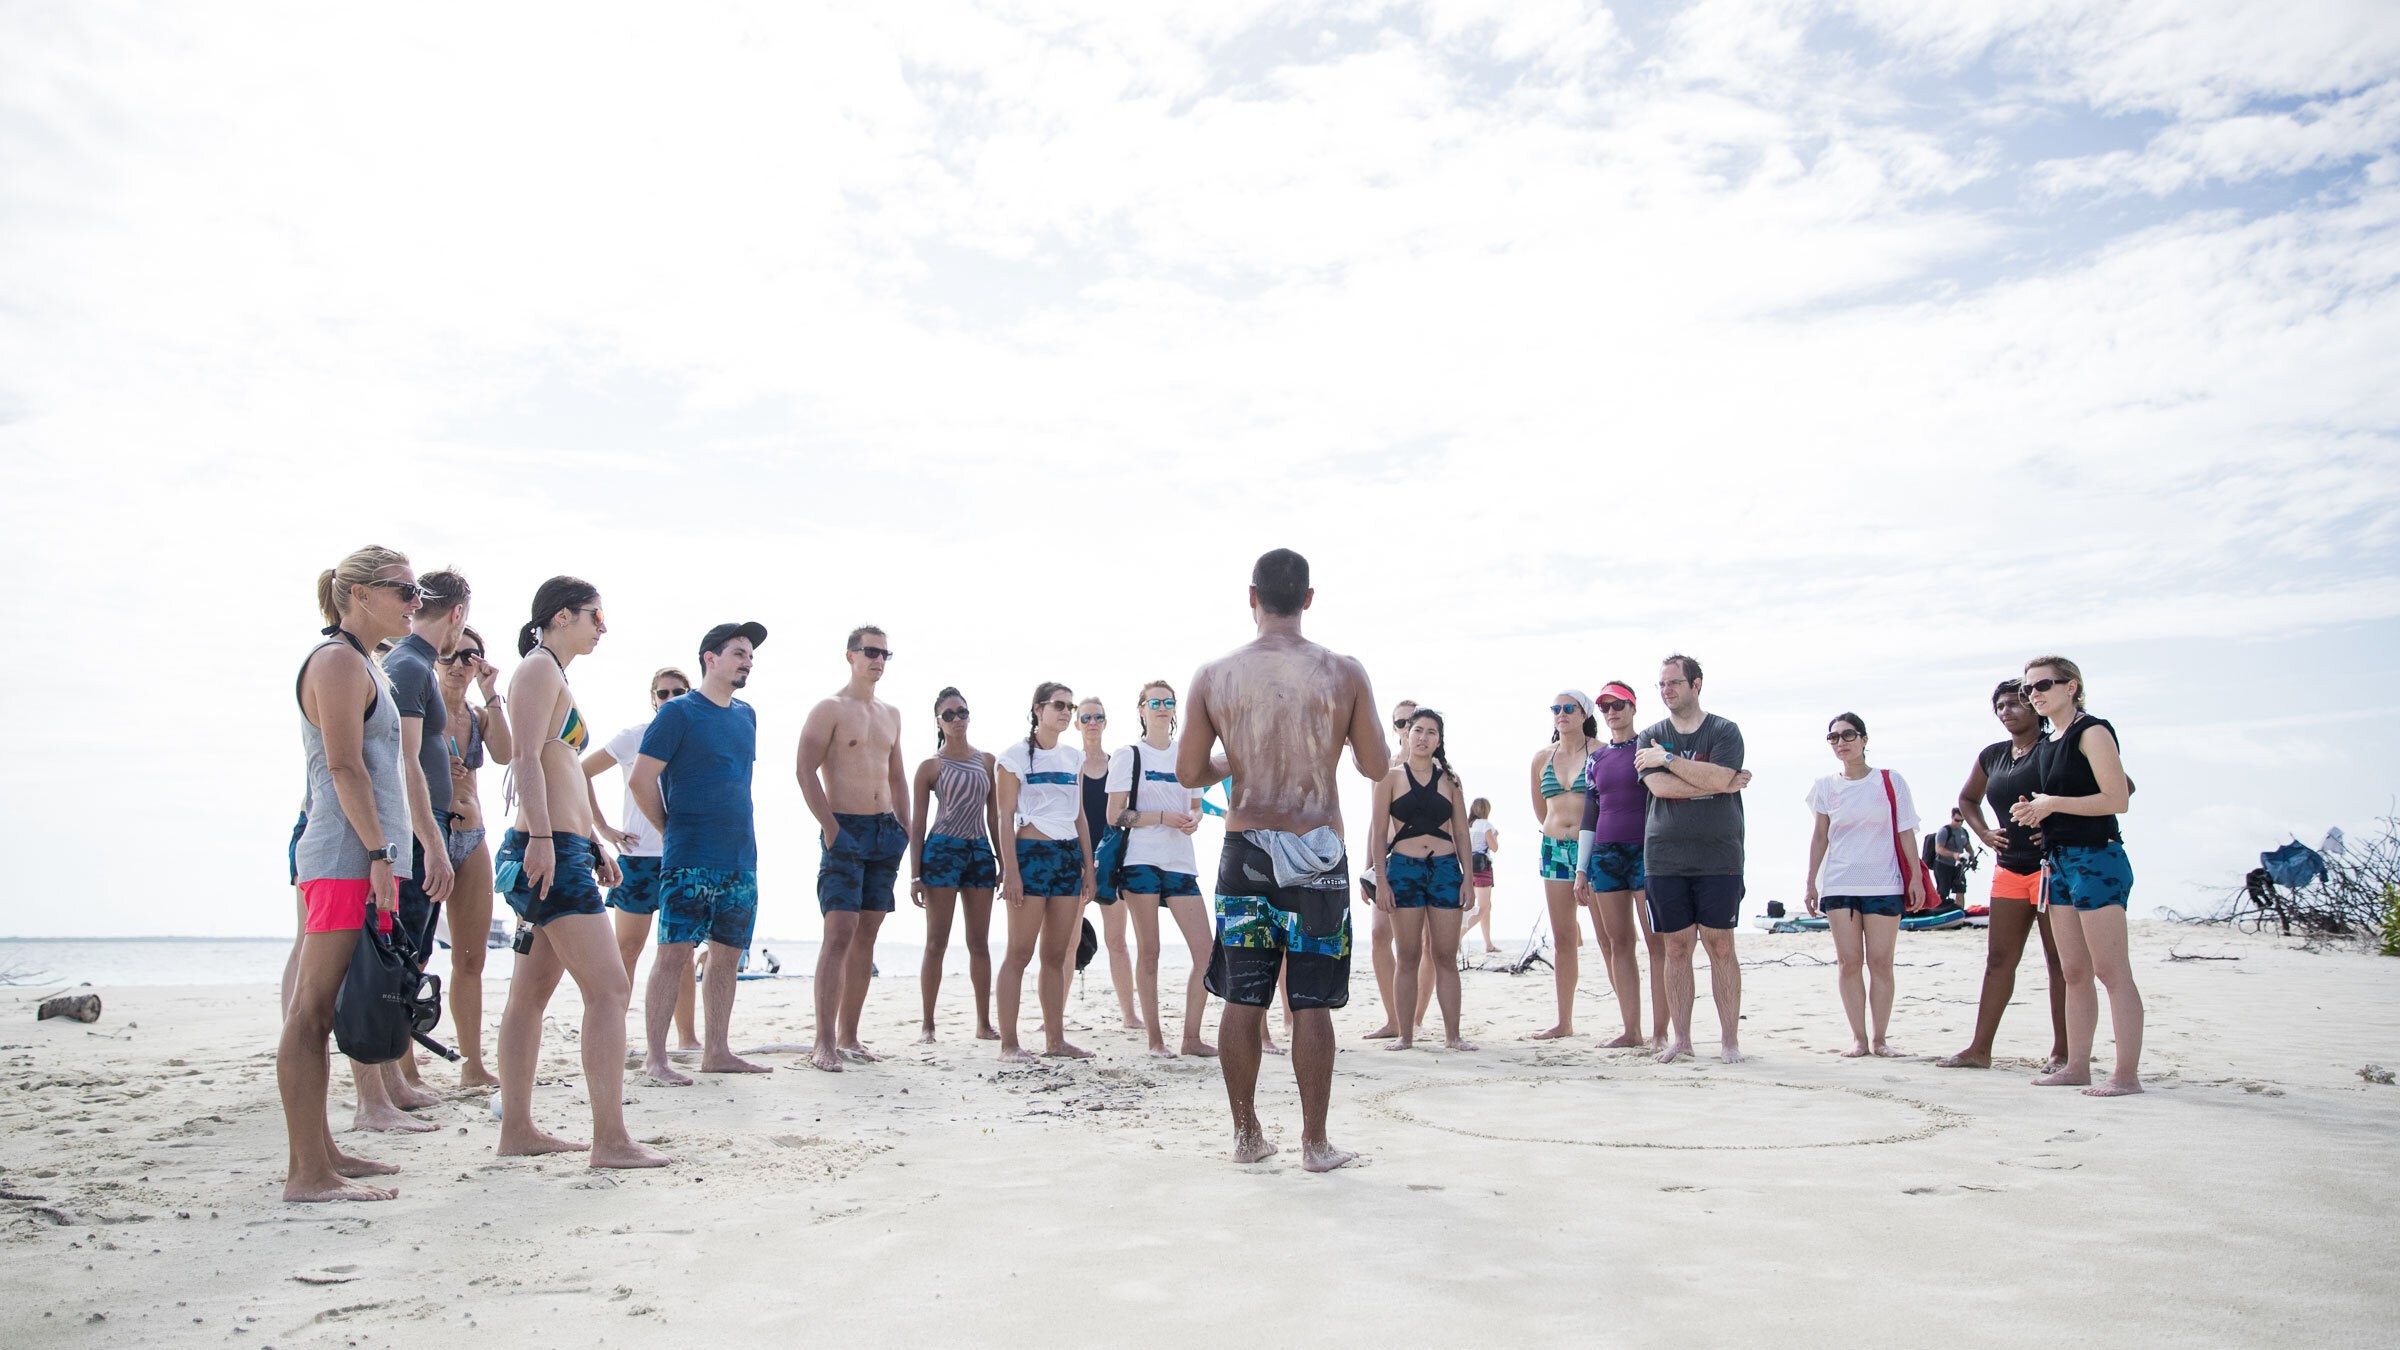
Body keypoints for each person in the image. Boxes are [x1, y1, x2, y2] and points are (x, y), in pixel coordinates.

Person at [1181, 548, 1388, 1172]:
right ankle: (1315, 1143)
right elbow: (1377, 765)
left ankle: (1247, 1136)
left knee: (1242, 999)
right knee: (1311, 1002)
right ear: (1308, 598)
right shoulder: (1343, 672)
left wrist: (1235, 759)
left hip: (1247, 849)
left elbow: (1190, 771)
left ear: (1252, 597)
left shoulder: (1215, 676)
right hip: (1318, 852)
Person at [490, 577, 669, 1169]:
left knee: (529, 996)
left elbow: (558, 767)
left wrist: (590, 841)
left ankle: (516, 1129)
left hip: (560, 845)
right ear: (563, 616)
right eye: (595, 616)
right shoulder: (538, 669)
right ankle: (610, 1141)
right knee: (611, 989)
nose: (603, 627)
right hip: (546, 847)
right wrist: (546, 839)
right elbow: (522, 759)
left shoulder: (551, 672)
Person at [283, 546, 422, 1201]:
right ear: (360, 593)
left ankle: (326, 1152)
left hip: (356, 857)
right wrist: (378, 855)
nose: (414, 602)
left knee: (327, 1007)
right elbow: (343, 767)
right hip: (344, 858)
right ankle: (307, 1174)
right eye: (404, 590)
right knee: (312, 1014)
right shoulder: (338, 660)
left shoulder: (361, 661)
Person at [627, 623, 772, 1084]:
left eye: (750, 654)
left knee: (726, 955)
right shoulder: (677, 714)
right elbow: (639, 780)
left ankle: (717, 1051)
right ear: (710, 658)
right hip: (688, 857)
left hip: (739, 858)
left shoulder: (747, 715)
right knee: (673, 955)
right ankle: (656, 1058)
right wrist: (670, 830)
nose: (747, 660)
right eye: (738, 653)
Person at [2011, 655, 2144, 1096]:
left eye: (2044, 685)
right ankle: (2078, 1066)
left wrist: (2053, 804)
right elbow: (2063, 800)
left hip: (2098, 859)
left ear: (2071, 687)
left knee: (2112, 971)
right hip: (2059, 862)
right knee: (2073, 972)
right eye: (2029, 688)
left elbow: (2119, 797)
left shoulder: (2093, 730)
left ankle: (2125, 1076)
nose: (2035, 694)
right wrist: (2035, 812)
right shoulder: (2050, 742)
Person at [795, 625, 911, 1072]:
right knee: (839, 931)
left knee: (868, 935)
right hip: (844, 828)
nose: (878, 660)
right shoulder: (829, 708)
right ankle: (823, 1042)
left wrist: (905, 827)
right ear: (850, 655)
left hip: (885, 833)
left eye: (885, 653)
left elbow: (897, 776)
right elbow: (805, 769)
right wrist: (829, 827)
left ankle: (850, 1037)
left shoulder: (891, 714)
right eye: (871, 651)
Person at [1938, 680, 2069, 1072]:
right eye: (1999, 706)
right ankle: (1979, 1049)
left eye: (2015, 703)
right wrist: (1981, 832)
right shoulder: (1992, 755)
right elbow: (1967, 799)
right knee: (1998, 960)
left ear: (2034, 705)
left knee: (2058, 961)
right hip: (2010, 868)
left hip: (2053, 866)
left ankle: (2063, 1051)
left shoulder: (2058, 746)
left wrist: (2057, 823)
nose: (2006, 711)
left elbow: (2114, 787)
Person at [375, 568, 467, 1109]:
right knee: (400, 955)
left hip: (425, 826)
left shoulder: (416, 665)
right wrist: (433, 844)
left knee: (414, 952)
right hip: (414, 832)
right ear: (457, 614)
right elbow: (403, 760)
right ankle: (389, 1084)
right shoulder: (409, 665)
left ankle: (398, 1077)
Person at [1636, 654, 1753, 1065]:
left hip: (1719, 854)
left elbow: (1721, 778)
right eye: (1662, 684)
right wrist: (1712, 783)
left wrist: (1668, 760)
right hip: (1665, 856)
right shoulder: (1648, 734)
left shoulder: (1724, 730)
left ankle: (1729, 1042)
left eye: (1675, 683)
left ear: (1696, 684)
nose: (1667, 690)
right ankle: (1681, 1040)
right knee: (1677, 947)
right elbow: (1662, 790)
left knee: (1720, 945)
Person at [584, 668, 698, 1053]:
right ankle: (616, 1034)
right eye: (662, 693)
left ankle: (687, 1038)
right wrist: (603, 829)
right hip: (636, 860)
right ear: (653, 698)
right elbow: (580, 773)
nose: (669, 698)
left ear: (689, 694)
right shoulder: (634, 736)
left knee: (682, 953)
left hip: (681, 859)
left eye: (678, 692)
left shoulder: (695, 736)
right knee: (626, 951)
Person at [1802, 712, 1924, 1058]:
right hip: (1839, 884)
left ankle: (1880, 1039)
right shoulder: (1825, 786)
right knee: (1849, 962)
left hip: (1885, 883)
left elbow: (1906, 830)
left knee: (1882, 962)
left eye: (1848, 735)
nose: (1841, 742)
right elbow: (1820, 837)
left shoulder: (1890, 780)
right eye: (1834, 738)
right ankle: (1858, 1038)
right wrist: (1811, 882)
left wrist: (1914, 876)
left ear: (1864, 740)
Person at [1106, 681, 1212, 1057]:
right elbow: (1115, 814)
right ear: (1141, 709)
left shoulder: (1188, 753)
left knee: (1206, 951)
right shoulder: (1128, 755)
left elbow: (1197, 804)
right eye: (1155, 702)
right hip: (1141, 860)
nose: (1162, 707)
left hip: (1181, 860)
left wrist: (1193, 818)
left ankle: (1191, 1038)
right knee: (1149, 950)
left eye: (1169, 702)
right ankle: (1155, 1040)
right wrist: (1163, 816)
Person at [994, 682, 1098, 1062]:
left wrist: (1089, 868)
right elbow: (1005, 816)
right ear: (1038, 709)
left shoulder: (1074, 758)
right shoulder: (1014, 756)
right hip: (1030, 854)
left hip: (1068, 857)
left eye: (1069, 706)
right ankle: (1009, 1044)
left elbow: (1081, 815)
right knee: (1019, 954)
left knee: (1055, 955)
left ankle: (1056, 1041)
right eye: (1059, 705)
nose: (1066, 712)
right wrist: (1011, 871)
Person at [1369, 707, 1477, 1052]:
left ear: (1439, 740)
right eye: (1418, 730)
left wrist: (1469, 879)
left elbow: (1461, 831)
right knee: (1409, 955)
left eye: (1431, 732)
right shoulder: (1389, 778)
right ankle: (1405, 1035)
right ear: (1406, 734)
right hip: (1403, 869)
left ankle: (1453, 1036)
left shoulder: (1451, 780)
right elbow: (1376, 833)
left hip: (1445, 870)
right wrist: (1381, 880)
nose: (1423, 737)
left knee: (1445, 956)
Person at [436, 624, 513, 1088]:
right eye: (451, 656)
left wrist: (492, 693)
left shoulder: (476, 715)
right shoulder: (418, 709)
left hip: (473, 835)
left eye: (470, 657)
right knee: (413, 955)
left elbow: (506, 753)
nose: (459, 665)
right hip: (428, 835)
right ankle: (403, 1064)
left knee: (471, 958)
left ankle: (471, 1064)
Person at [1575, 680, 1668, 1048]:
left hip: (1647, 853)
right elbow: (1589, 813)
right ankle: (1632, 1031)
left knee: (1657, 943)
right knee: (1619, 944)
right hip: (1606, 856)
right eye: (1605, 707)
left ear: (1632, 707)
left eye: (1619, 705)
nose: (1612, 712)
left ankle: (1661, 1032)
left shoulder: (1650, 747)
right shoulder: (1596, 759)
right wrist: (1582, 869)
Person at [908, 687, 1003, 1043]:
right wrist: (915, 874)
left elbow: (995, 817)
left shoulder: (988, 762)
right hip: (942, 851)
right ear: (938, 722)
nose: (956, 719)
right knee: (937, 941)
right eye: (948, 715)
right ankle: (928, 1025)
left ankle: (984, 1023)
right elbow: (918, 824)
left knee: (979, 942)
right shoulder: (930, 767)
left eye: (961, 712)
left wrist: (1003, 861)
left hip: (979, 852)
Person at [1362, 698, 1436, 1039]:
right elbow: (1375, 824)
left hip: (1431, 861)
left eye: (1413, 722)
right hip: (1389, 861)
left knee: (1426, 944)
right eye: (1401, 723)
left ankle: (1415, 1017)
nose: (1408, 729)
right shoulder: (1384, 768)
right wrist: (1368, 869)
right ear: (1395, 729)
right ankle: (1394, 1018)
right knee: (1379, 935)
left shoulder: (1437, 767)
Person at [1529, 690, 1598, 1040]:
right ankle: (1564, 1021)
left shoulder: (1600, 752)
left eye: (1568, 708)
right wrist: (1557, 830)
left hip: (1594, 848)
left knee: (1611, 936)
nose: (1561, 713)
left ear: (1584, 713)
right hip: (1554, 846)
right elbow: (1540, 809)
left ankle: (1631, 1024)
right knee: (1563, 938)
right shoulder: (1542, 757)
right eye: (1556, 708)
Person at [1078, 697, 1142, 1031]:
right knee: (1064, 942)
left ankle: (1130, 1016)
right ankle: (1053, 1018)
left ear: (1105, 722)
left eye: (1098, 717)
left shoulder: (1118, 763)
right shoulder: (1070, 762)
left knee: (1117, 941)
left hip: (1110, 862)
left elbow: (1126, 810)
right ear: (1077, 723)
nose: (1092, 722)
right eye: (1085, 716)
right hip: (1074, 859)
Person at [1465, 798, 1498, 954]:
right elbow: (1494, 847)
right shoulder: (1485, 825)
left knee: (1486, 906)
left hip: (1468, 867)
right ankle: (1459, 935)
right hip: (1482, 867)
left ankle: (1488, 944)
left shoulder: (1468, 825)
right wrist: (1495, 835)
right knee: (1483, 907)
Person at [1931, 809, 1971, 906]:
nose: (1959, 823)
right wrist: (1953, 854)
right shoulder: (1945, 831)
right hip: (1943, 865)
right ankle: (1938, 911)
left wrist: (1971, 856)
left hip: (1958, 866)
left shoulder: (1963, 832)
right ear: (1952, 818)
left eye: (1962, 821)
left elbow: (1968, 846)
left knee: (1960, 889)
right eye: (1957, 820)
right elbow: (1939, 849)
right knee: (1943, 891)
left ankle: (1960, 912)